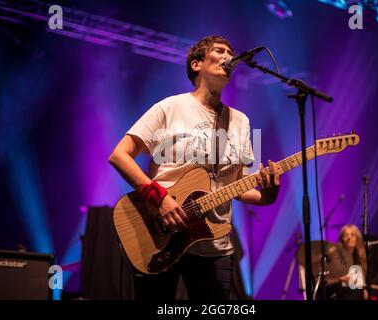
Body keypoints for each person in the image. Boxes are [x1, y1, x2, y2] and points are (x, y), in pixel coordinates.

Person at [108, 35, 282, 300]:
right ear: (197, 64)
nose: (228, 57)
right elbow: (119, 156)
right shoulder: (170, 107)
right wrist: (161, 199)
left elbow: (240, 186)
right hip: (161, 232)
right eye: (220, 51)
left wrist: (268, 195)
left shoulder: (241, 121)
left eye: (230, 52)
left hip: (216, 243)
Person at [327, 224, 368, 300]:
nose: (349, 238)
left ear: (357, 239)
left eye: (352, 235)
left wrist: (364, 290)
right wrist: (339, 279)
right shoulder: (335, 258)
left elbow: (360, 284)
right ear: (341, 239)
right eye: (346, 235)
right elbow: (326, 281)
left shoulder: (360, 258)